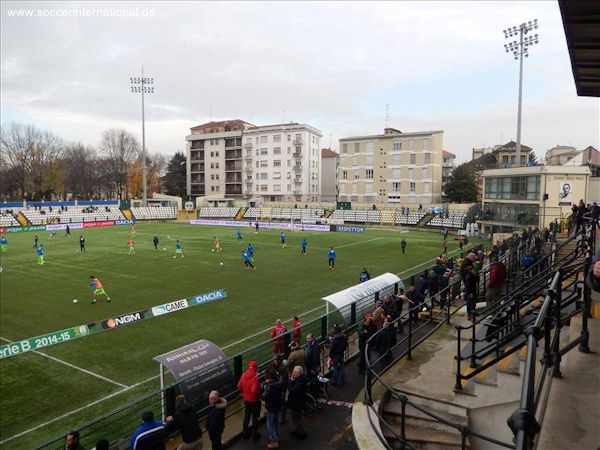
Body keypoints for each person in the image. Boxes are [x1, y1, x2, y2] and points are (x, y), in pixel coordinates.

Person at [237, 361, 261, 441]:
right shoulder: (255, 377)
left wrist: (244, 393)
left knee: (246, 417)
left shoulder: (244, 375)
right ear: (255, 368)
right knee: (255, 418)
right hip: (255, 401)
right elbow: (254, 390)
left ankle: (245, 433)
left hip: (246, 400)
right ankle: (254, 435)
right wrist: (259, 393)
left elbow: (239, 386)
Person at [262, 370, 284, 449]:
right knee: (275, 422)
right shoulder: (279, 383)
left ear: (269, 377)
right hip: (278, 406)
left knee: (270, 424)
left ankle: (274, 441)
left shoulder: (269, 387)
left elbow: (265, 397)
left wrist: (260, 395)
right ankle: (275, 435)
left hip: (271, 407)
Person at [287, 366, 308, 440]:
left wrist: (291, 381)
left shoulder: (299, 382)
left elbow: (291, 390)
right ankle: (298, 430)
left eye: (294, 372)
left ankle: (301, 433)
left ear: (299, 374)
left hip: (297, 403)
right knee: (295, 418)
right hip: (297, 402)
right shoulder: (301, 379)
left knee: (296, 418)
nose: (293, 373)